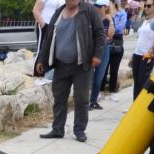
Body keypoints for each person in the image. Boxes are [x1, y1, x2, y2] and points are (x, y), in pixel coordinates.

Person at [36, 0, 106, 142]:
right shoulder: (58, 13)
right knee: (59, 98)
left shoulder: (89, 11)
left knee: (81, 99)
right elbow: (48, 38)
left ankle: (79, 130)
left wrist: (97, 55)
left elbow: (99, 34)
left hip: (82, 65)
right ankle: (57, 129)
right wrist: (42, 60)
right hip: (61, 65)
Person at [90, 0, 115, 109]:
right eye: (96, 6)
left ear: (105, 7)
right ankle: (85, 101)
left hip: (104, 48)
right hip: (92, 46)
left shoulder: (109, 19)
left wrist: (110, 22)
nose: (97, 8)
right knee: (88, 75)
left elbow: (110, 36)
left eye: (99, 7)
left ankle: (93, 100)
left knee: (99, 76)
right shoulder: (92, 17)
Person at [103, 0, 128, 92]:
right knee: (103, 69)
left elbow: (120, 28)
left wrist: (110, 23)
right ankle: (100, 90)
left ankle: (112, 90)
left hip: (116, 43)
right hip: (105, 42)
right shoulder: (105, 12)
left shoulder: (122, 13)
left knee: (114, 69)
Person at [33, 0, 63, 76]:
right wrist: (43, 25)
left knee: (51, 50)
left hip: (55, 25)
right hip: (44, 24)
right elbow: (35, 10)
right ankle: (37, 74)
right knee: (41, 49)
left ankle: (46, 72)